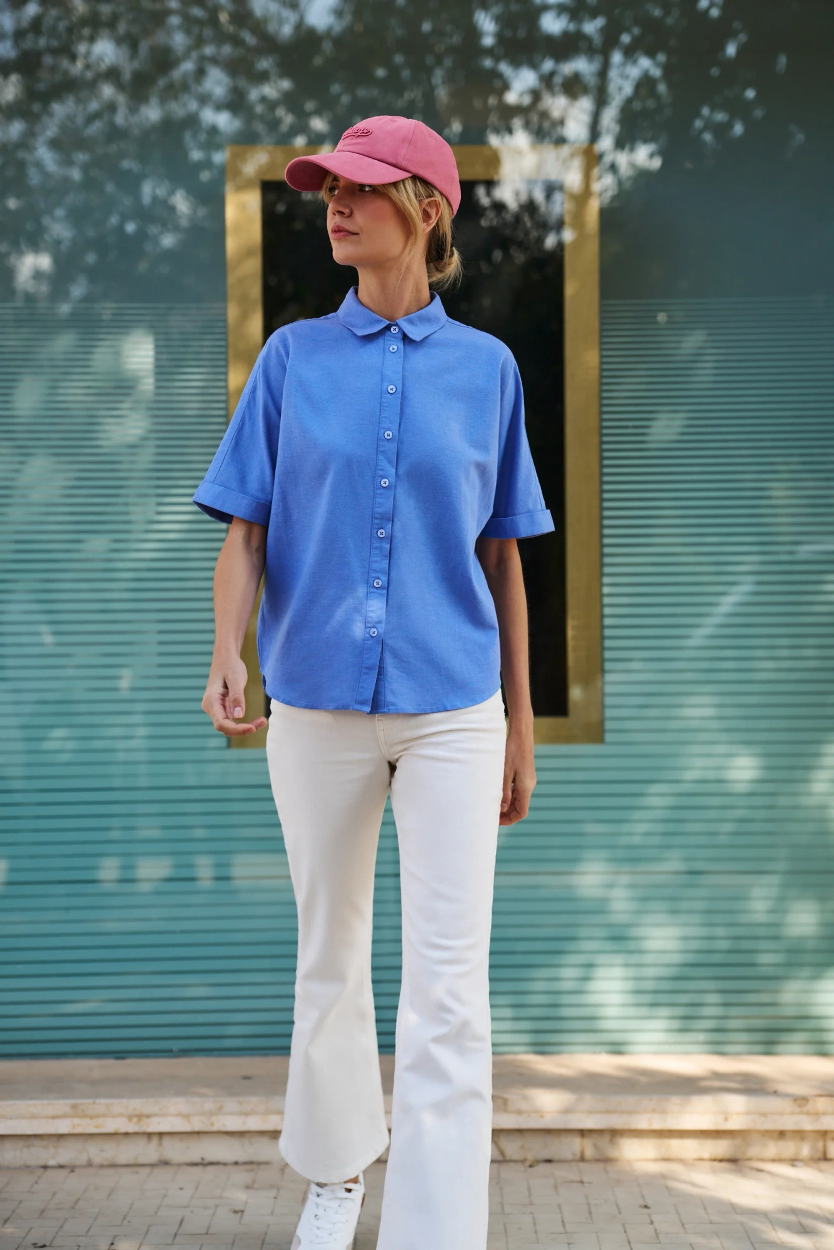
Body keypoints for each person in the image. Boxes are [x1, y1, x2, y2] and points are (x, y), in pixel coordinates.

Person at [192, 114, 554, 1250]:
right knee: (330, 957)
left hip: (454, 710)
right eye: (328, 191)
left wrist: (521, 723)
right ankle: (337, 1176)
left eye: (359, 188)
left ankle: (435, 1230)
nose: (335, 206)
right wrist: (227, 649)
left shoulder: (488, 370)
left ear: (426, 208)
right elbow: (246, 530)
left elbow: (504, 558)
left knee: (448, 985)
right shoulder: (292, 359)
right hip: (314, 703)